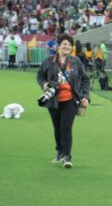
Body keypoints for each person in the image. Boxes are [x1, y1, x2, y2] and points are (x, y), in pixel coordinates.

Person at [37, 34, 90, 168]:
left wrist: (85, 96)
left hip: (70, 99)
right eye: (64, 44)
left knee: (66, 128)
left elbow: (85, 79)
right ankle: (60, 151)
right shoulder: (49, 61)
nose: (66, 46)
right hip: (53, 99)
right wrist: (44, 85)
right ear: (58, 45)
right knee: (57, 128)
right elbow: (40, 76)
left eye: (69, 44)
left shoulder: (76, 61)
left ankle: (67, 156)